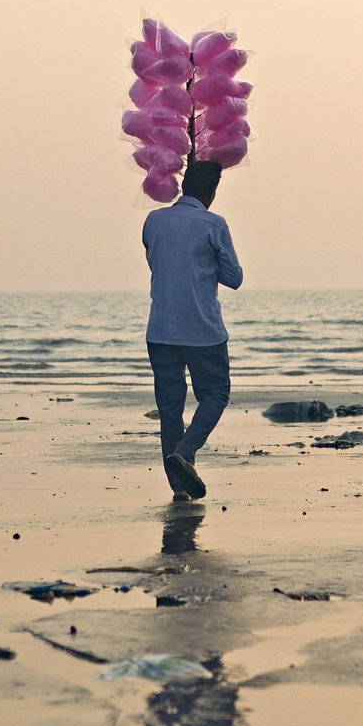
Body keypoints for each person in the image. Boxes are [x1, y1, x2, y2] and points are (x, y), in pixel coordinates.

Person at [142, 161, 243, 500]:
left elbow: (158, 260)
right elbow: (234, 278)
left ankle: (180, 488)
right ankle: (185, 454)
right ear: (212, 192)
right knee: (215, 395)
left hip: (161, 329)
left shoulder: (153, 221)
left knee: (170, 407)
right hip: (203, 330)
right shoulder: (213, 224)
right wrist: (207, 258)